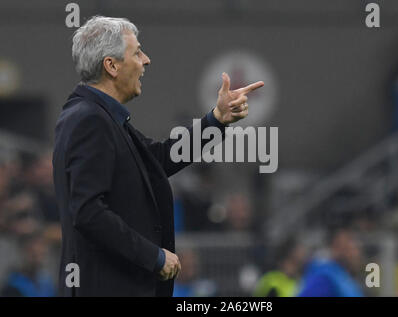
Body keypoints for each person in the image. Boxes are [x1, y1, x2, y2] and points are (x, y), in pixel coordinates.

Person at [52, 16, 264, 296]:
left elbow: (159, 158)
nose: (146, 60)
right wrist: (154, 256)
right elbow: (88, 212)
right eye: (137, 52)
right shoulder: (89, 120)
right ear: (112, 66)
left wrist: (216, 120)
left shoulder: (102, 118)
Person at [298, 229, 364, 297]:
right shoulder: (325, 276)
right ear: (336, 248)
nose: (357, 253)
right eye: (352, 248)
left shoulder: (345, 278)